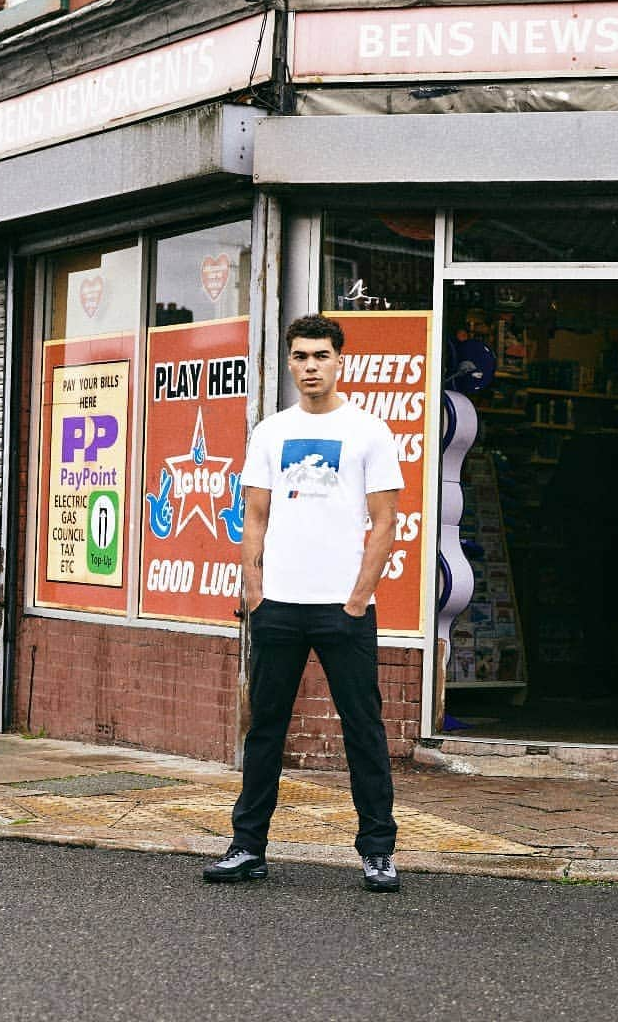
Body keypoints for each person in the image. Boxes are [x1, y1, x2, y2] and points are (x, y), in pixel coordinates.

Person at [203, 314, 403, 893]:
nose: (310, 366)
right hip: (279, 606)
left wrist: (359, 599)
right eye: (300, 356)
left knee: (363, 728)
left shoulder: (368, 431)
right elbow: (255, 516)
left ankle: (377, 852)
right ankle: (248, 846)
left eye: (320, 355)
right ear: (289, 362)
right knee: (264, 728)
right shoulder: (270, 431)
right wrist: (253, 588)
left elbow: (385, 522)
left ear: (340, 360)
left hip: (342, 608)